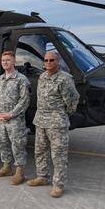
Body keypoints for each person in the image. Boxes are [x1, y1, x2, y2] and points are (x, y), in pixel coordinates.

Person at [27, 51, 80, 198]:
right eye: (46, 60)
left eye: (52, 60)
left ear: (58, 61)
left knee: (58, 155)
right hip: (41, 121)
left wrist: (61, 114)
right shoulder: (42, 76)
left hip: (57, 122)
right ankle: (42, 177)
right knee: (40, 151)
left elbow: (73, 100)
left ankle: (58, 184)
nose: (48, 63)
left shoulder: (65, 79)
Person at [0, 51, 30, 185]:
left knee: (18, 145)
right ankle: (6, 167)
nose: (5, 63)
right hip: (1, 119)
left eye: (8, 60)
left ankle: (20, 172)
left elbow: (24, 101)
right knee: (3, 143)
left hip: (15, 120)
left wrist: (11, 114)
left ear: (14, 61)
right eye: (3, 60)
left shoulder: (21, 79)